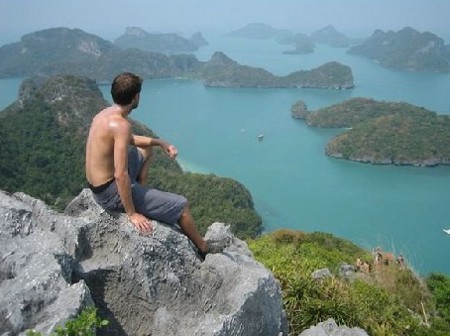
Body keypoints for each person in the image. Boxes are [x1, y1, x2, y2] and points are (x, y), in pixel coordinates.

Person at [85, 72, 225, 256]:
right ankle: (203, 247)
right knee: (182, 206)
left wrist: (160, 143)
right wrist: (132, 213)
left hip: (98, 186)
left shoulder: (104, 114)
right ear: (135, 97)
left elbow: (129, 140)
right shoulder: (121, 124)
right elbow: (121, 175)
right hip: (110, 193)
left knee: (145, 149)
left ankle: (141, 192)